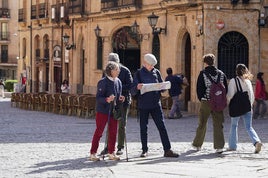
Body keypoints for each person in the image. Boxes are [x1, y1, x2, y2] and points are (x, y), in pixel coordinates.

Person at [131, 53, 179, 158]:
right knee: (143, 128)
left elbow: (161, 87)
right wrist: (137, 87)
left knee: (162, 127)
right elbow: (133, 90)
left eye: (153, 65)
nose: (152, 67)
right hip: (143, 105)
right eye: (150, 65)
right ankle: (144, 150)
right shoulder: (138, 74)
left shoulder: (156, 72)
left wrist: (164, 86)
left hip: (156, 104)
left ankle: (167, 150)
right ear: (145, 63)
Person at [89, 61, 125, 161]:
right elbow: (98, 98)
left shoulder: (118, 81)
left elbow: (118, 96)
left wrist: (120, 98)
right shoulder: (103, 82)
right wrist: (107, 100)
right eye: (117, 69)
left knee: (113, 132)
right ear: (111, 70)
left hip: (114, 111)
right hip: (103, 111)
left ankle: (111, 152)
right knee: (99, 132)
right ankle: (93, 153)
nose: (119, 71)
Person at [192, 53, 227, 153]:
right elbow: (225, 88)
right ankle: (219, 146)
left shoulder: (202, 73)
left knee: (202, 122)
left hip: (206, 101)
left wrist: (202, 98)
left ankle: (197, 144)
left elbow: (199, 88)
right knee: (218, 124)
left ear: (205, 62)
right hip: (218, 102)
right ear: (214, 61)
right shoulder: (221, 74)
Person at [100, 53, 133, 156]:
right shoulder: (106, 71)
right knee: (110, 125)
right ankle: (108, 147)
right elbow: (103, 83)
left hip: (123, 101)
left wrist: (118, 87)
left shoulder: (125, 70)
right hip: (112, 102)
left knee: (122, 124)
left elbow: (130, 85)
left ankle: (120, 147)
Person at [227, 64, 262, 153]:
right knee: (249, 127)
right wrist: (249, 105)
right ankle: (256, 141)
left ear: (236, 71)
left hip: (237, 107)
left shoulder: (233, 81)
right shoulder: (248, 82)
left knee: (234, 125)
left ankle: (232, 146)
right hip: (247, 107)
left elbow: (230, 95)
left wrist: (228, 101)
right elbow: (251, 96)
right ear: (246, 71)